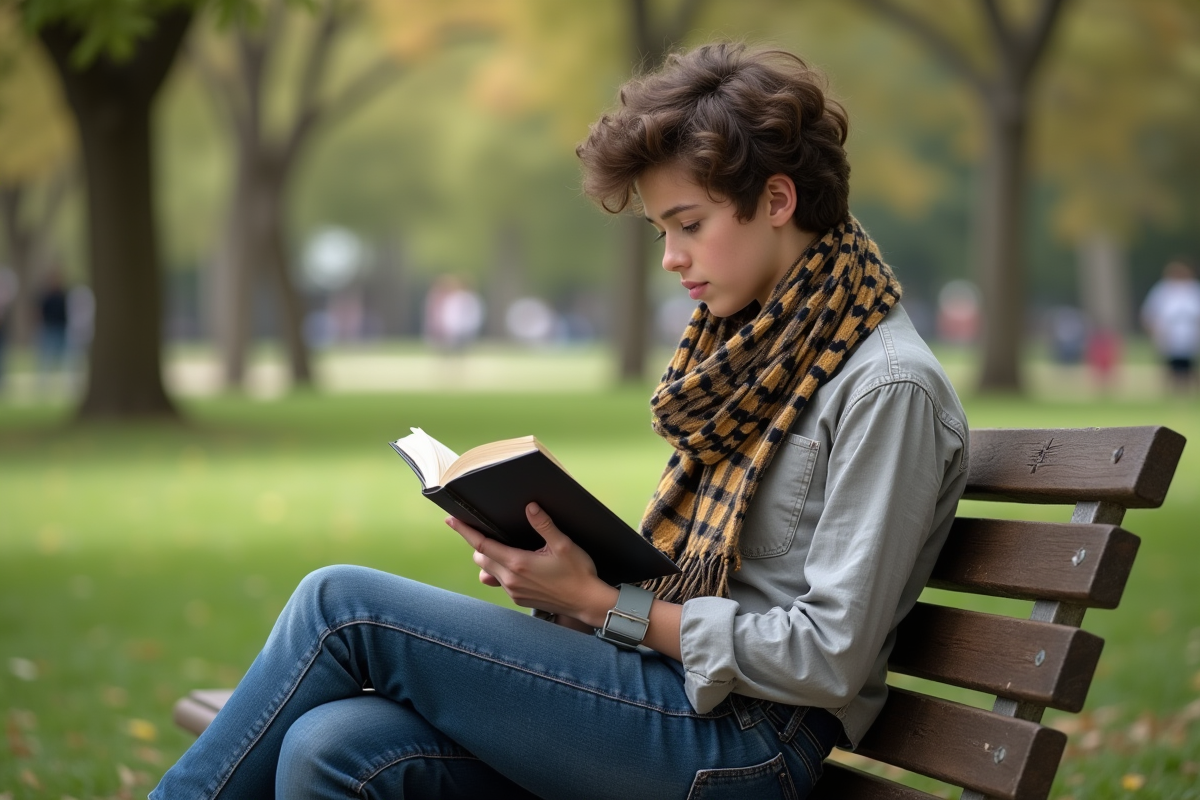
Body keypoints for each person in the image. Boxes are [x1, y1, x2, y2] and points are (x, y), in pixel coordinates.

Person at [152, 43, 968, 799]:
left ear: (778, 199)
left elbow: (829, 656)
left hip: (745, 743)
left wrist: (604, 604)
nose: (670, 258)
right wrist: (573, 583)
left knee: (343, 605)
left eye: (689, 225)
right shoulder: (767, 346)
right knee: (333, 743)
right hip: (676, 696)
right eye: (661, 231)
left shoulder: (886, 388)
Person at [1140, 259, 1200, 393]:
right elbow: (1151, 312)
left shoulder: (1194, 290)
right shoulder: (1162, 290)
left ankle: (1190, 392)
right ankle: (1172, 392)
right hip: (1168, 334)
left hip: (1190, 334)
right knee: (1170, 366)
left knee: (1189, 365)